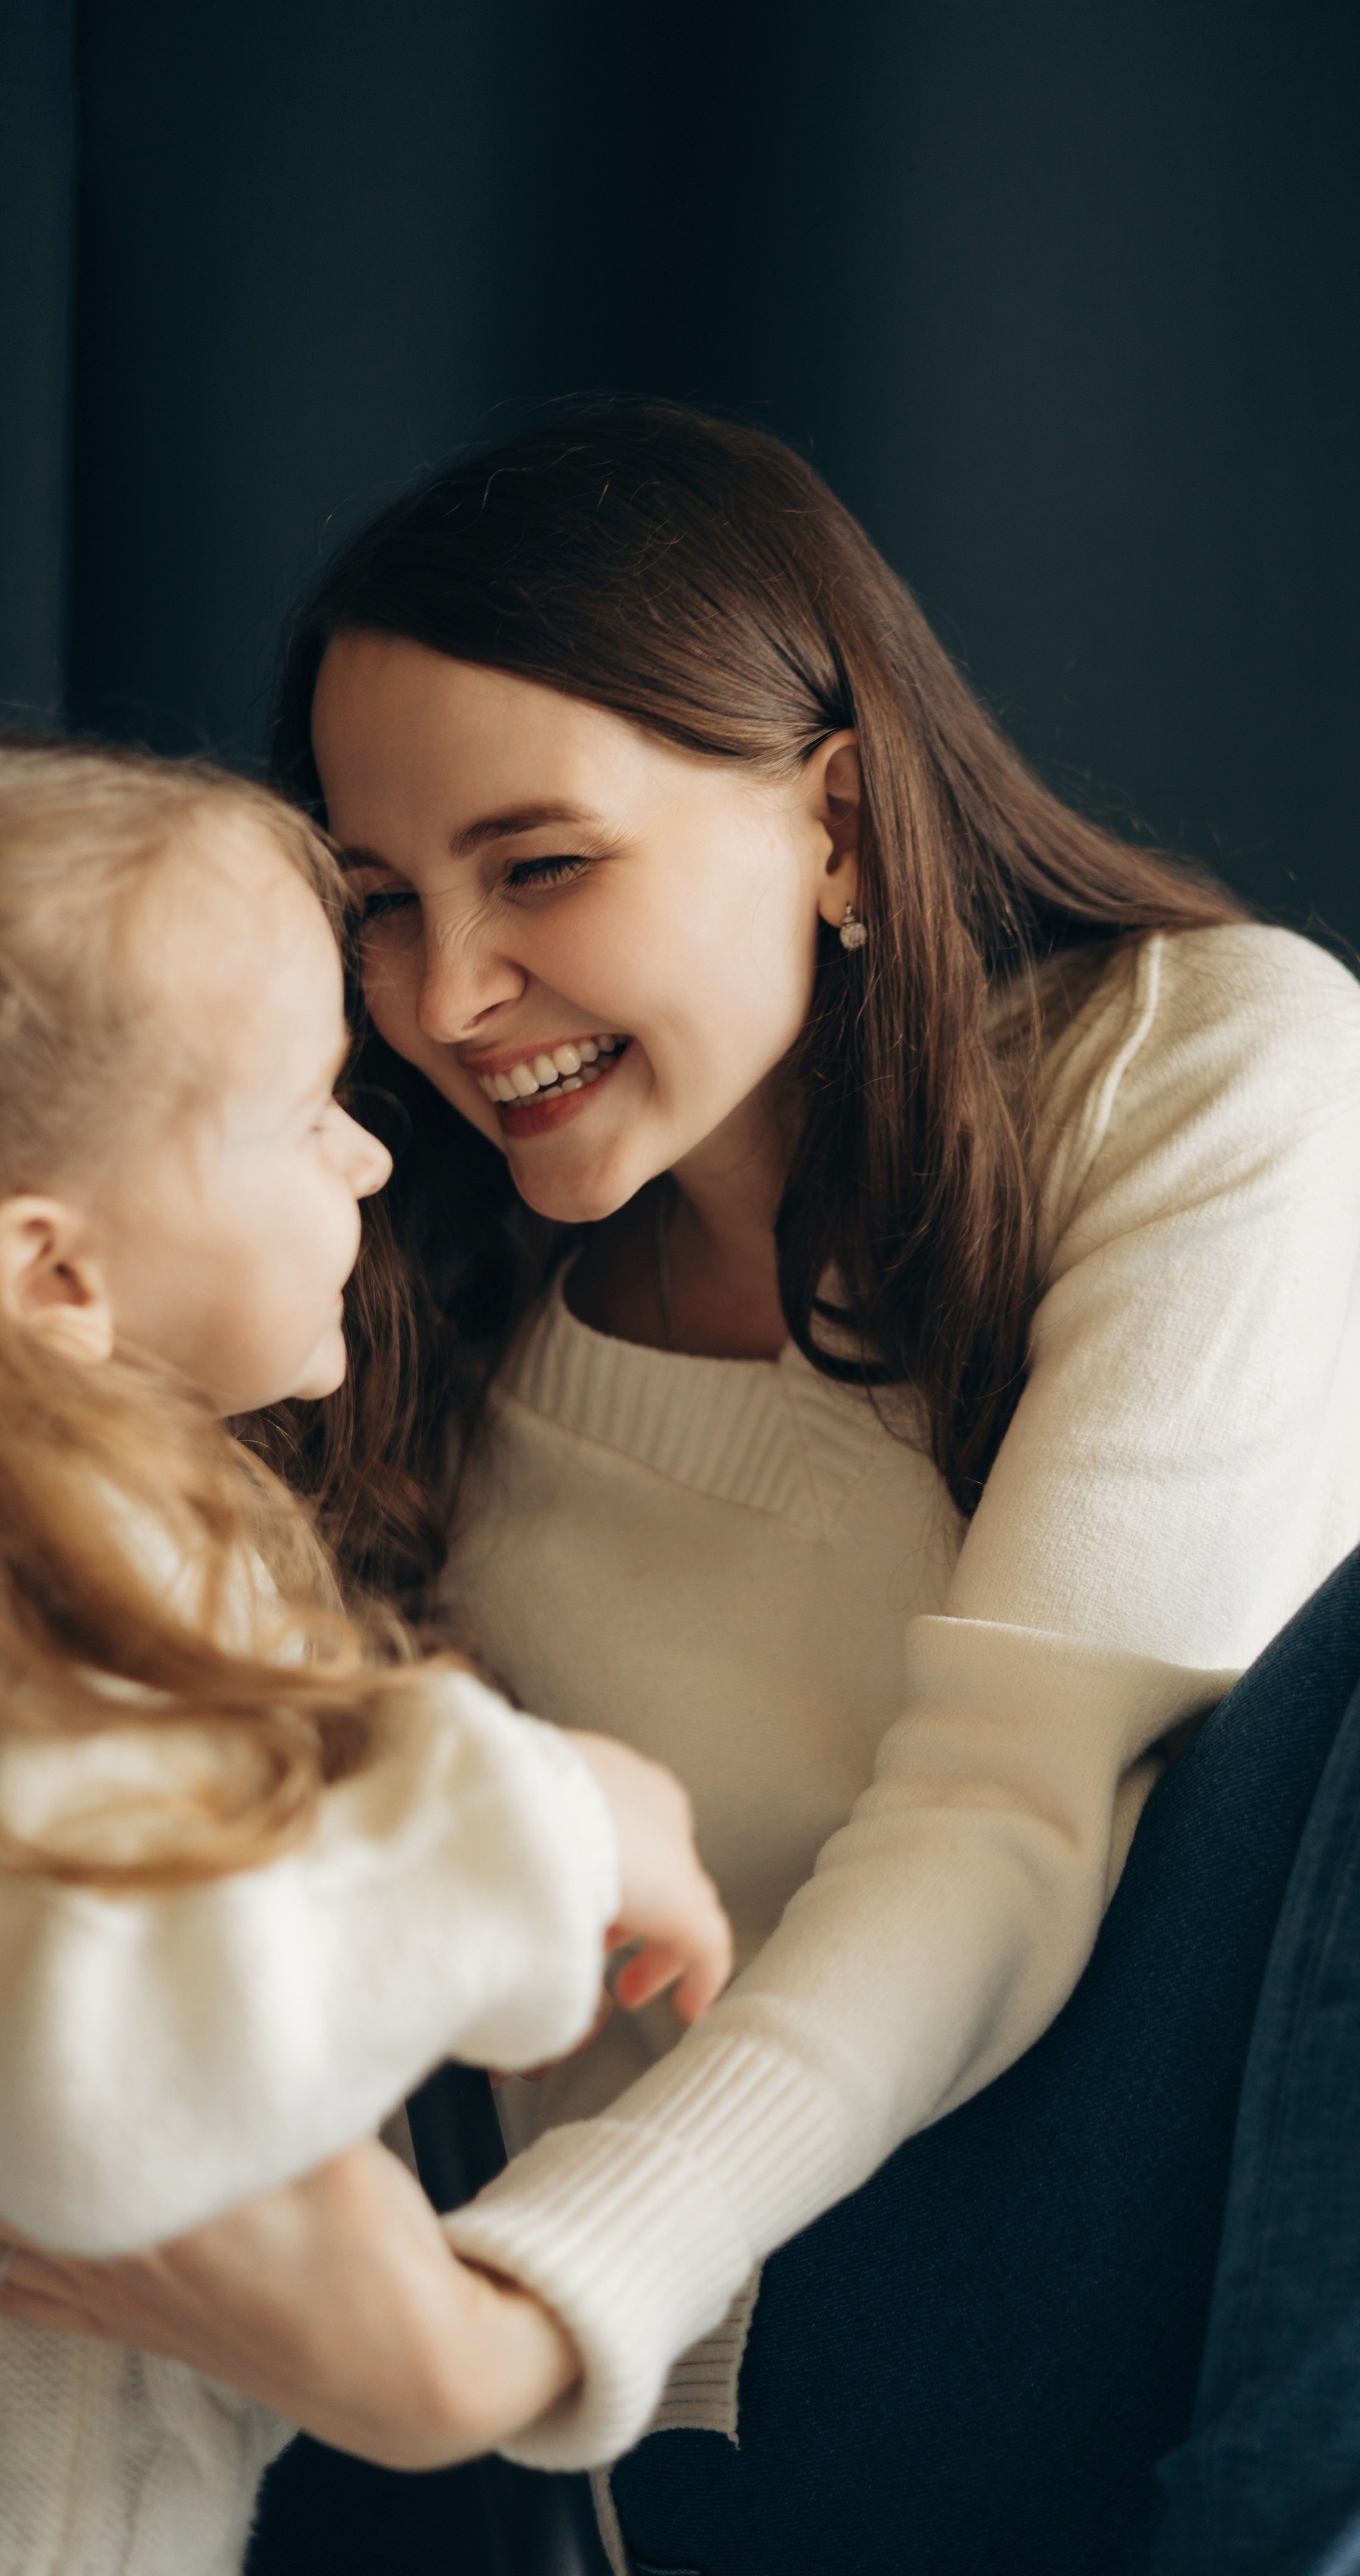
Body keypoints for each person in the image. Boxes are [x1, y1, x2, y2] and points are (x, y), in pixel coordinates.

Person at [15, 411, 1360, 2576]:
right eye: (380, 906)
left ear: (834, 823)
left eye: (539, 869)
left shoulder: (1194, 1062)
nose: (442, 1001)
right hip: (811, 2384)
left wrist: (508, 2324)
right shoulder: (360, 1327)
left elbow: (1008, 1817)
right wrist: (498, 2328)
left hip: (1358, 2317)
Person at [0, 740, 731, 2576]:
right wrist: (562, 1824)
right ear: (57, 1278)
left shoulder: (168, 1536)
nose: (372, 1147)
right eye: (304, 1105)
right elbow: (101, 2066)